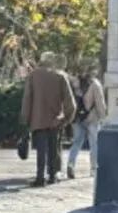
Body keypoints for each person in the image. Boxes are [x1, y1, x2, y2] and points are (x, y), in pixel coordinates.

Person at [20, 51, 76, 187]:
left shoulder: (33, 76)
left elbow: (27, 98)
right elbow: (71, 103)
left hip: (37, 119)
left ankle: (40, 177)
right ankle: (52, 175)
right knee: (53, 148)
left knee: (41, 149)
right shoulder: (60, 76)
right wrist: (67, 118)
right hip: (55, 119)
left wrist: (25, 119)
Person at [66, 65, 107, 179]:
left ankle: (71, 164)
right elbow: (99, 102)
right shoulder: (95, 84)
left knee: (77, 142)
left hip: (77, 118)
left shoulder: (74, 83)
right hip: (92, 118)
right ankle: (93, 169)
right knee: (94, 144)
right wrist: (103, 117)